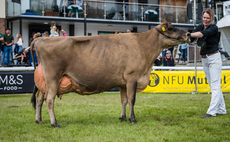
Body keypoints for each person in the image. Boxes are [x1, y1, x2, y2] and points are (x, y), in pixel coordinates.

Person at [190, 8, 226, 118]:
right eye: (204, 17)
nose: (205, 20)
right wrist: (187, 36)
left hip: (214, 58)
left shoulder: (214, 28)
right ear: (202, 17)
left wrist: (190, 35)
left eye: (208, 18)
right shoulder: (200, 27)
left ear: (212, 18)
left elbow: (201, 34)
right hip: (204, 59)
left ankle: (211, 112)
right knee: (213, 85)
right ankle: (222, 109)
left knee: (215, 86)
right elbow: (192, 36)